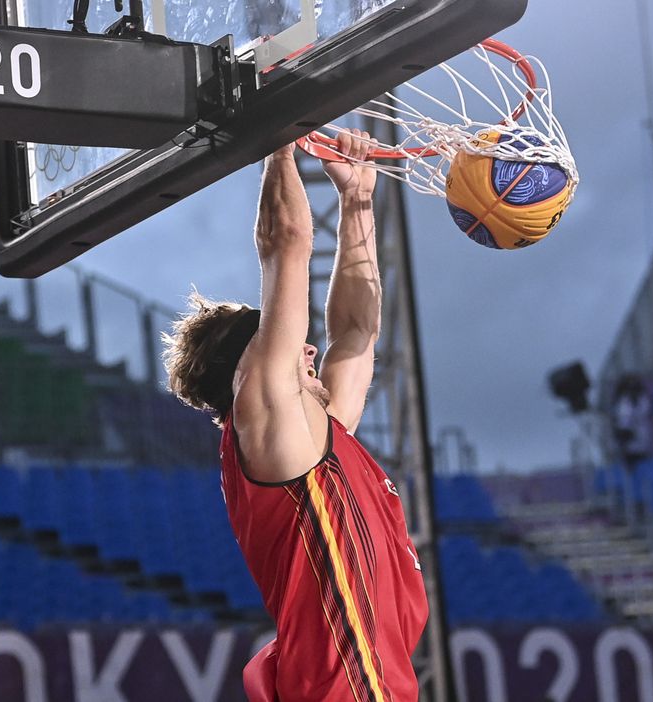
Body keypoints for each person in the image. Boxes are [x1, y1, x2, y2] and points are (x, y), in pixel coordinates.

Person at [163, 131, 427, 701]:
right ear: (250, 369)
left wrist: (357, 201)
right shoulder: (268, 416)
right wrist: (277, 138)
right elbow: (286, 243)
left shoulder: (317, 437)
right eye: (288, 343)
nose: (309, 350)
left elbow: (356, 333)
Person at [610, 373, 651, 469]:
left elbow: (644, 412)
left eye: (634, 386)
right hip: (627, 445)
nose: (631, 390)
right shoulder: (621, 402)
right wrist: (624, 432)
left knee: (643, 467)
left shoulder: (643, 399)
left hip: (642, 442)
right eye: (629, 387)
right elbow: (621, 420)